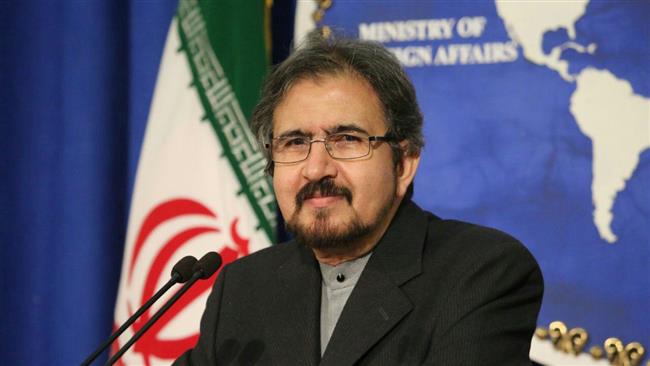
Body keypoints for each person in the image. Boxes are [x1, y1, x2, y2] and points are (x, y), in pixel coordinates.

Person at [174, 31, 543, 366]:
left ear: (404, 164)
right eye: (295, 142)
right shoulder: (244, 287)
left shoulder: (480, 272)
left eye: (347, 139)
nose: (316, 169)